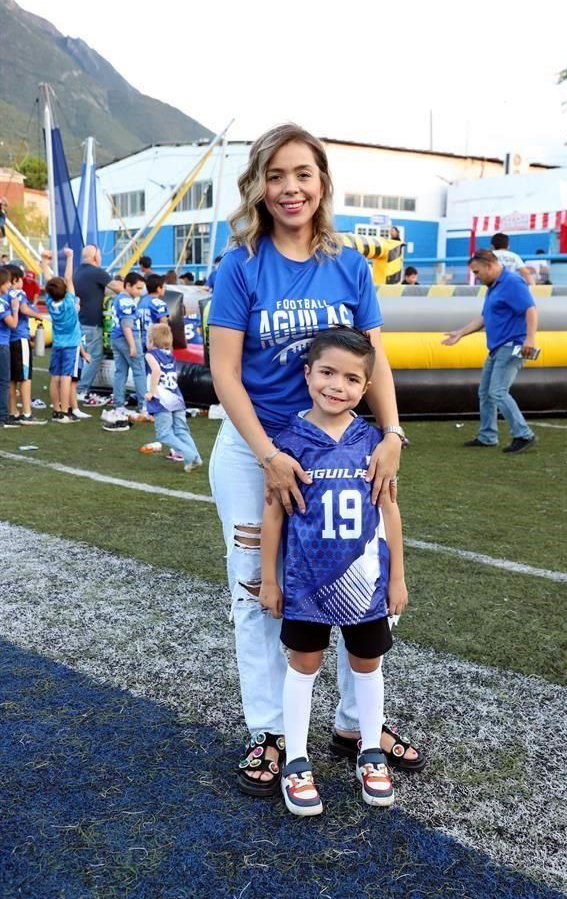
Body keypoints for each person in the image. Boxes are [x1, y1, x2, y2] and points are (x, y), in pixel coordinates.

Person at [209, 123, 423, 799]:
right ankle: (271, 731)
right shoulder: (240, 262)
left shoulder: (349, 263)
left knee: (364, 574)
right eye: (275, 175)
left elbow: (376, 358)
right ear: (259, 186)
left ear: (322, 182)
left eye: (302, 173)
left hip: (341, 449)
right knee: (259, 587)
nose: (290, 187)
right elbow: (223, 371)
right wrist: (268, 453)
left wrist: (391, 433)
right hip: (257, 449)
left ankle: (358, 723)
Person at [260, 328, 408, 816]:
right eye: (327, 373)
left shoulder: (374, 442)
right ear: (307, 375)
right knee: (304, 664)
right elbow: (274, 514)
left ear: (366, 388)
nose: (336, 386)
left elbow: (390, 511)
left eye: (350, 378)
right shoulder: (287, 441)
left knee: (367, 664)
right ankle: (297, 759)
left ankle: (369, 749)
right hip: (307, 585)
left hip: (365, 581)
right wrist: (271, 578)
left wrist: (397, 578)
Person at [442, 248, 538, 453]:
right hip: (497, 348)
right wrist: (460, 333)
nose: (476, 277)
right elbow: (484, 318)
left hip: (512, 345)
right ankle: (487, 436)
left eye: (477, 272)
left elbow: (530, 309)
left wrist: (530, 339)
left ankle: (523, 434)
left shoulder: (512, 282)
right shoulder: (494, 287)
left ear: (489, 265)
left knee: (497, 391)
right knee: (486, 392)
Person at [41, 248, 91, 423]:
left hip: (57, 344)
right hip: (70, 345)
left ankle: (56, 409)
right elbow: (68, 278)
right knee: (66, 377)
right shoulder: (70, 302)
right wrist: (70, 256)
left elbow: (50, 280)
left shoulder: (49, 301)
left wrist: (44, 262)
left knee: (55, 377)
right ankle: (64, 411)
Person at [144, 323, 202, 472]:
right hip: (176, 397)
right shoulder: (169, 354)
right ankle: (196, 457)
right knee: (181, 430)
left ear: (151, 341)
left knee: (163, 433)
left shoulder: (150, 354)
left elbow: (156, 371)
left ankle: (189, 454)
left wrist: (151, 392)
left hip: (162, 399)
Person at [74, 244, 122, 403]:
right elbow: (118, 288)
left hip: (79, 320)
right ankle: (81, 390)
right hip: (92, 322)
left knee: (83, 355)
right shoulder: (96, 272)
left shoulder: (78, 272)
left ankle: (75, 387)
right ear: (95, 257)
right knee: (94, 356)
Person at [103, 271, 147, 430]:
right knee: (139, 371)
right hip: (127, 338)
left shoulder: (118, 299)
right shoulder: (127, 301)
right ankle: (144, 405)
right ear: (128, 285)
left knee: (120, 372)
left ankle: (119, 405)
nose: (140, 292)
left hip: (115, 338)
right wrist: (133, 345)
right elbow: (127, 325)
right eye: (138, 288)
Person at [7, 264, 46, 425]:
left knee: (11, 379)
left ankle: (13, 411)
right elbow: (23, 308)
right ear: (15, 280)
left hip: (8, 340)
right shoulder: (18, 293)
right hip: (19, 338)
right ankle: (27, 413)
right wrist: (38, 315)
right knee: (25, 377)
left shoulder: (4, 294)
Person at [0, 266, 20, 429]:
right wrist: (15, 308)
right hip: (2, 344)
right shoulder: (1, 303)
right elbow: (13, 324)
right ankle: (3, 416)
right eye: (6, 283)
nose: (9, 286)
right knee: (3, 381)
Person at [138, 274, 170, 351]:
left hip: (141, 340)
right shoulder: (159, 304)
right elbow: (163, 325)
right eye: (164, 287)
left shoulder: (141, 301)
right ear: (159, 288)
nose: (165, 289)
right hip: (154, 342)